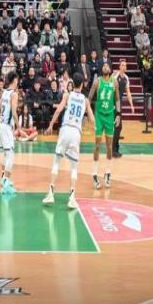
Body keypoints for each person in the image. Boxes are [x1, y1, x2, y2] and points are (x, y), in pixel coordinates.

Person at [43, 73, 95, 209]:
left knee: (56, 161)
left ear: (72, 83)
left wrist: (50, 125)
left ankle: (51, 193)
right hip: (76, 132)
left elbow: (58, 111)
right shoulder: (85, 100)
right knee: (74, 166)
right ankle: (72, 197)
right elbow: (91, 118)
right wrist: (95, 130)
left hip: (65, 129)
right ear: (82, 84)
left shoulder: (67, 95)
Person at [88, 63, 120, 189]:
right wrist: (90, 115)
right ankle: (95, 174)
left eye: (107, 66)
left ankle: (107, 173)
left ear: (110, 69)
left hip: (110, 116)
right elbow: (89, 99)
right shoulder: (97, 82)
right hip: (99, 116)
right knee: (97, 145)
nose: (105, 68)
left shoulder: (114, 82)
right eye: (104, 66)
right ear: (102, 69)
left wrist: (118, 114)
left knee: (109, 146)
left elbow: (117, 99)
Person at [0, 71, 21, 194]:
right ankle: (6, 182)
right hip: (6, 127)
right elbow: (14, 112)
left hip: (0, 125)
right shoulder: (14, 94)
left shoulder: (5, 92)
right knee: (10, 155)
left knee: (5, 154)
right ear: (15, 80)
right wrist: (18, 127)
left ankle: (3, 178)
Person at [112, 60, 135, 158]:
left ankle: (115, 149)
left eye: (125, 65)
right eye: (122, 65)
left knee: (118, 127)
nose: (124, 67)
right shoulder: (115, 77)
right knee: (118, 126)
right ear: (119, 66)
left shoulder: (126, 78)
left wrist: (131, 105)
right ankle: (114, 150)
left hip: (119, 104)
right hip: (114, 103)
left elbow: (128, 92)